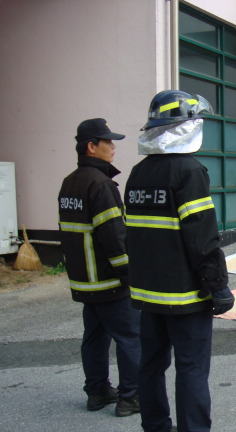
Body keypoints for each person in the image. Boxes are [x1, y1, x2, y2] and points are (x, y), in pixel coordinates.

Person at [125, 90, 234, 432]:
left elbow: (134, 234)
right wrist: (217, 286)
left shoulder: (138, 173)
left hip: (147, 293)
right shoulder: (190, 171)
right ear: (185, 126)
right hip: (185, 295)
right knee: (191, 369)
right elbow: (202, 238)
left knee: (151, 365)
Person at [58, 118, 141, 416]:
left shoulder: (70, 182)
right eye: (107, 141)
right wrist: (128, 275)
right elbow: (114, 237)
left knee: (94, 337)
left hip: (84, 281)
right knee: (131, 337)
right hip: (108, 281)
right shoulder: (102, 185)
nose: (113, 147)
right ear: (91, 147)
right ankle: (130, 397)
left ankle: (97, 392)